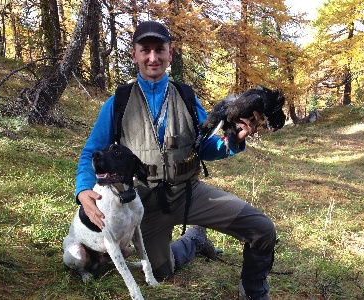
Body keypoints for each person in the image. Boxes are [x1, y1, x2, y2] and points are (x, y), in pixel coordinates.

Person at [75, 20, 277, 300]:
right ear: (134, 54)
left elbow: (205, 146)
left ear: (171, 54)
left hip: (188, 192)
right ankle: (194, 240)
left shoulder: (186, 96)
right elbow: (91, 152)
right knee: (160, 273)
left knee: (262, 228)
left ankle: (253, 289)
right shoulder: (118, 102)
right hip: (144, 202)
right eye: (145, 50)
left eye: (160, 49)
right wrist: (84, 190)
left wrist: (235, 140)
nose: (153, 57)